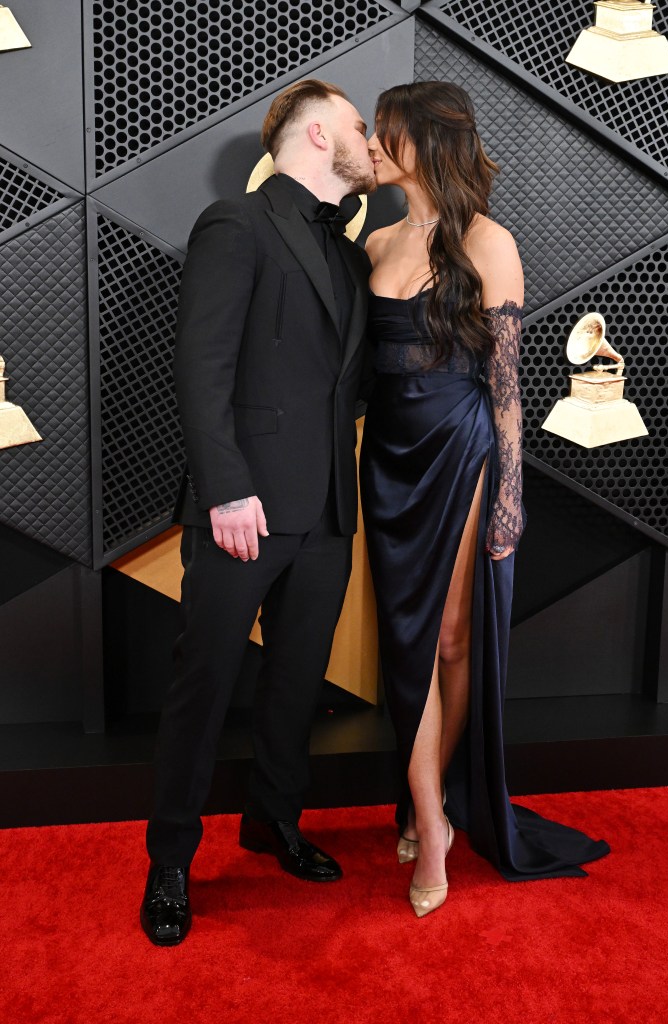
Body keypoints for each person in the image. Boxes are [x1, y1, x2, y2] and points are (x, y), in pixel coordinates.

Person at [360, 81, 609, 918]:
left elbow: (506, 390)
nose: (371, 143)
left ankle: (427, 811)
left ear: (422, 142)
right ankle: (426, 809)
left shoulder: (487, 242)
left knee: (454, 640)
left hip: (459, 451)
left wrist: (511, 494)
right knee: (406, 644)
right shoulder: (375, 239)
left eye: (383, 131)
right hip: (386, 460)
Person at [140, 79, 375, 946]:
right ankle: (170, 861)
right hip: (242, 506)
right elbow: (200, 368)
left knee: (294, 686)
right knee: (202, 689)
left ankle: (273, 822)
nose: (370, 140)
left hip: (326, 513)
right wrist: (227, 488)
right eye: (359, 125)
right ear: (317, 132)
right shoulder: (235, 225)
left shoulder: (350, 253)